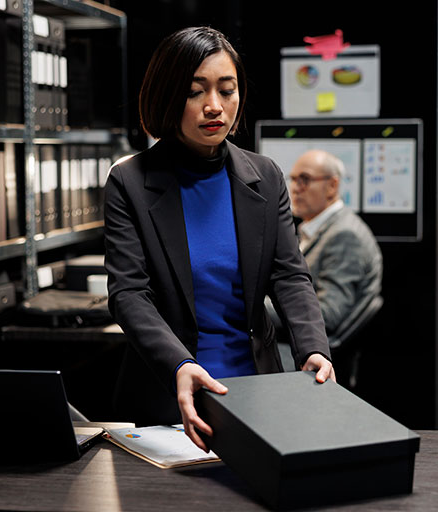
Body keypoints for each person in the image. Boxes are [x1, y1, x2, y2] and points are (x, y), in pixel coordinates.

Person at [104, 26, 334, 451]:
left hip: (256, 394)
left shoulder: (264, 177)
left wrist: (313, 349)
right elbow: (128, 293)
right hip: (168, 395)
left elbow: (289, 276)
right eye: (195, 92)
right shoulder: (129, 182)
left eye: (227, 90)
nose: (215, 107)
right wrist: (179, 365)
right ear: (168, 96)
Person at [288, 150, 383, 345]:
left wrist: (256, 309)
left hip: (307, 354)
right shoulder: (320, 228)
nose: (295, 189)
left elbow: (328, 315)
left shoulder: (345, 235)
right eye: (293, 179)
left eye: (304, 180)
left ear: (332, 186)